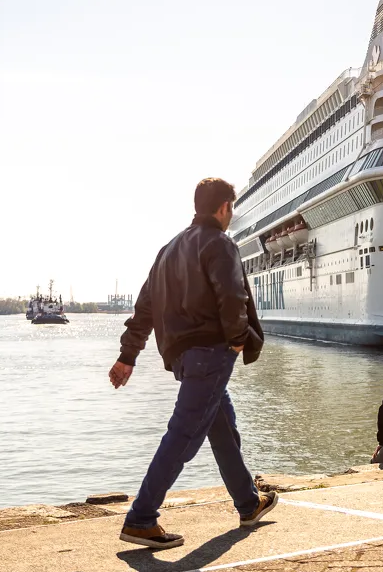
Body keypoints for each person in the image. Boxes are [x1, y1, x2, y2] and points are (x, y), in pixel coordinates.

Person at [108, 177, 273, 549]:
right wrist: (235, 341)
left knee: (222, 428)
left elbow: (145, 307)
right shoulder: (219, 244)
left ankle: (248, 503)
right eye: (232, 207)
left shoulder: (168, 248)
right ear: (224, 208)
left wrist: (127, 356)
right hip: (211, 351)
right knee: (183, 435)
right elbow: (232, 296)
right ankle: (141, 518)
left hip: (181, 356)